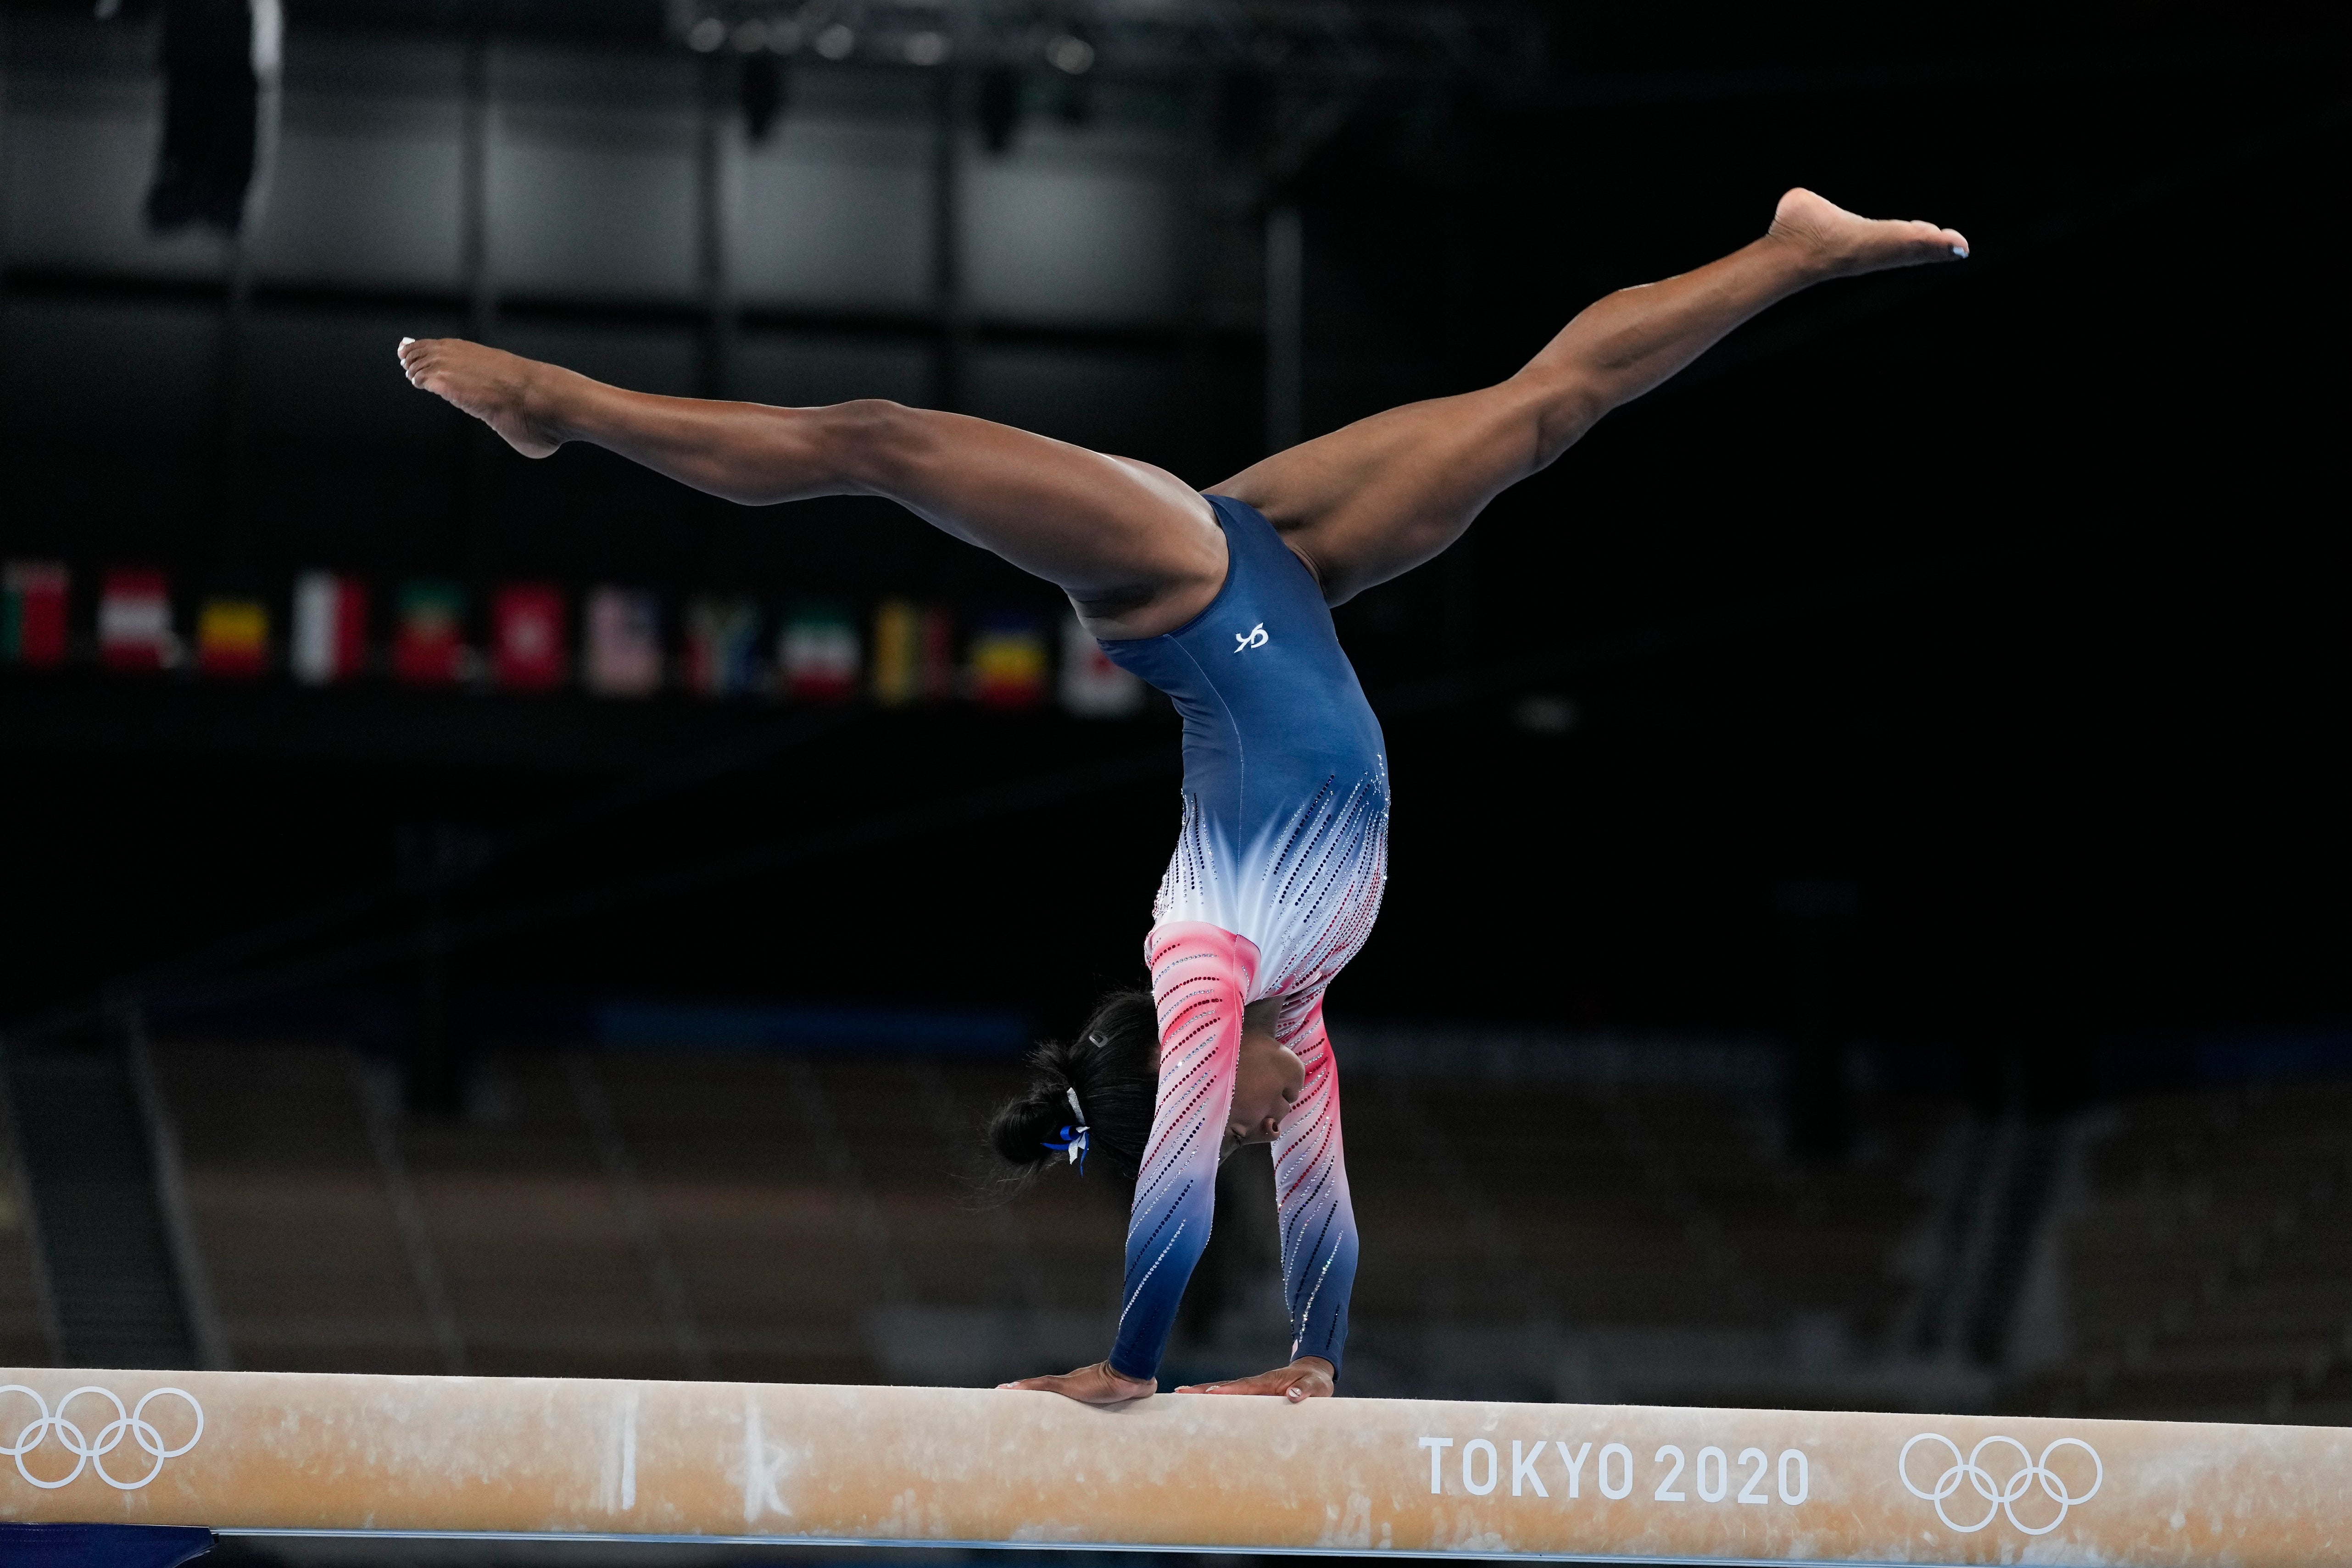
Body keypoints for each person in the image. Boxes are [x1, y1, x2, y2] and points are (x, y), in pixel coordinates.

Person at [399, 187, 1968, 1406]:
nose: (1268, 1136)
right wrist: (1316, 1353)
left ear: (1199, 1084)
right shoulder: (1311, 998)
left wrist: (1131, 1366)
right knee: (1549, 406)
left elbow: (1171, 1187)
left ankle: (563, 406)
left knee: (875, 442)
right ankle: (1788, 253)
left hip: (1182, 583)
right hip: (1284, 567)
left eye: (1228, 1126)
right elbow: (1328, 1212)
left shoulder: (1205, 964)